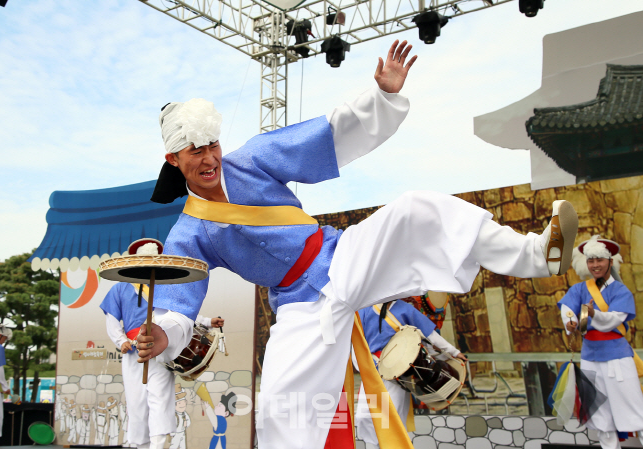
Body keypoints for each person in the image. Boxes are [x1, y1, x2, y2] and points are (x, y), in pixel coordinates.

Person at [136, 39, 579, 448]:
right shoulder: (187, 233)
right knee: (277, 411)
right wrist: (163, 331)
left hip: (340, 256)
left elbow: (328, 135)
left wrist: (381, 98)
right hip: (297, 307)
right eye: (195, 150)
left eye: (211, 143)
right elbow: (178, 301)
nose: (209, 156)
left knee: (416, 209)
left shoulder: (251, 159)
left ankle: (536, 254)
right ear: (174, 159)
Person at [101, 277, 223, 449]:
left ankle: (157, 445)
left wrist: (206, 321)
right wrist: (121, 341)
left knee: (160, 398)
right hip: (133, 352)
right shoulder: (120, 288)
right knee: (136, 402)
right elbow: (112, 318)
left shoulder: (163, 287)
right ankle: (140, 445)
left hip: (161, 351)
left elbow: (179, 314)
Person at [558, 235, 643, 449]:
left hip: (617, 357)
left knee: (634, 410)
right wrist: (570, 321)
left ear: (610, 262)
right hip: (590, 357)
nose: (595, 265)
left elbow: (613, 320)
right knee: (600, 415)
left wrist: (594, 314)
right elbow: (568, 307)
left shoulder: (620, 291)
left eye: (600, 260)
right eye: (591, 260)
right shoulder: (579, 289)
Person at [355, 300, 467, 447]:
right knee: (363, 416)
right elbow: (356, 342)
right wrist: (363, 367)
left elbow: (430, 335)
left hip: (400, 373)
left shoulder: (404, 308)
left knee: (392, 418)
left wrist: (454, 352)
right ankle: (375, 445)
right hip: (372, 372)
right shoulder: (364, 310)